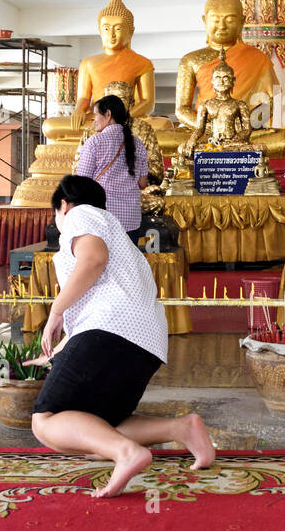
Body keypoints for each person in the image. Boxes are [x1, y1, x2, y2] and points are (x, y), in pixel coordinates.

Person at [28, 176, 214, 497]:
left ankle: (127, 454)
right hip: (145, 340)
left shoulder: (80, 214)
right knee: (98, 423)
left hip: (112, 329)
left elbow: (93, 259)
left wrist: (55, 311)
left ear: (63, 205)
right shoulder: (114, 229)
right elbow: (93, 306)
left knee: (45, 420)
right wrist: (56, 353)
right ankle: (182, 428)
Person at [73, 94, 148, 241]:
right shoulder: (137, 143)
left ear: (108, 114)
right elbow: (143, 183)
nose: (94, 120)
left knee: (102, 262)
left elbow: (82, 184)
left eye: (95, 115)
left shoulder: (95, 142)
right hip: (131, 219)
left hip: (102, 217)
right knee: (126, 262)